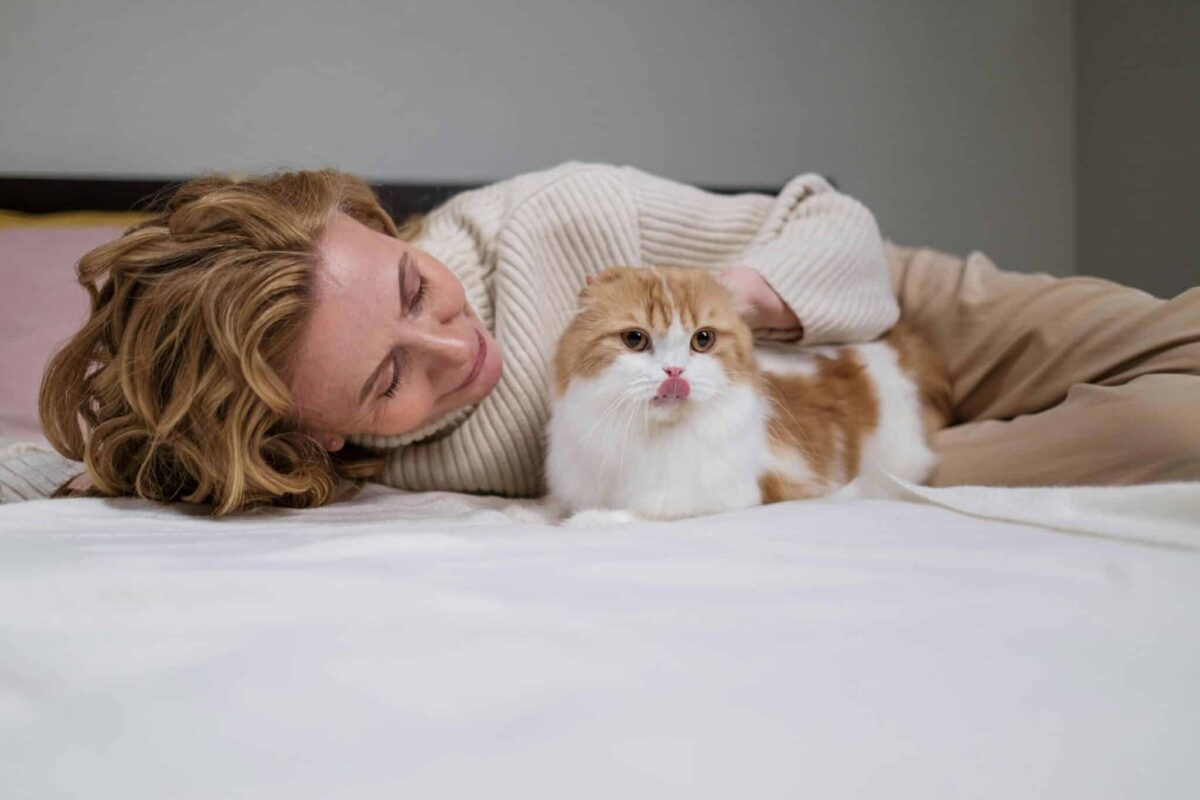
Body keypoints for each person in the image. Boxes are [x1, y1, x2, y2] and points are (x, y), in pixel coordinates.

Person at [36, 163, 1199, 514]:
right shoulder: (353, 467)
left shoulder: (560, 218)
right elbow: (78, 468)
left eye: (415, 285)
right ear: (319, 441)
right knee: (1176, 426)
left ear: (386, 229)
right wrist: (123, 470)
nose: (453, 348)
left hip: (871, 298)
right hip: (823, 431)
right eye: (389, 378)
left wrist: (724, 310)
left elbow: (834, 222)